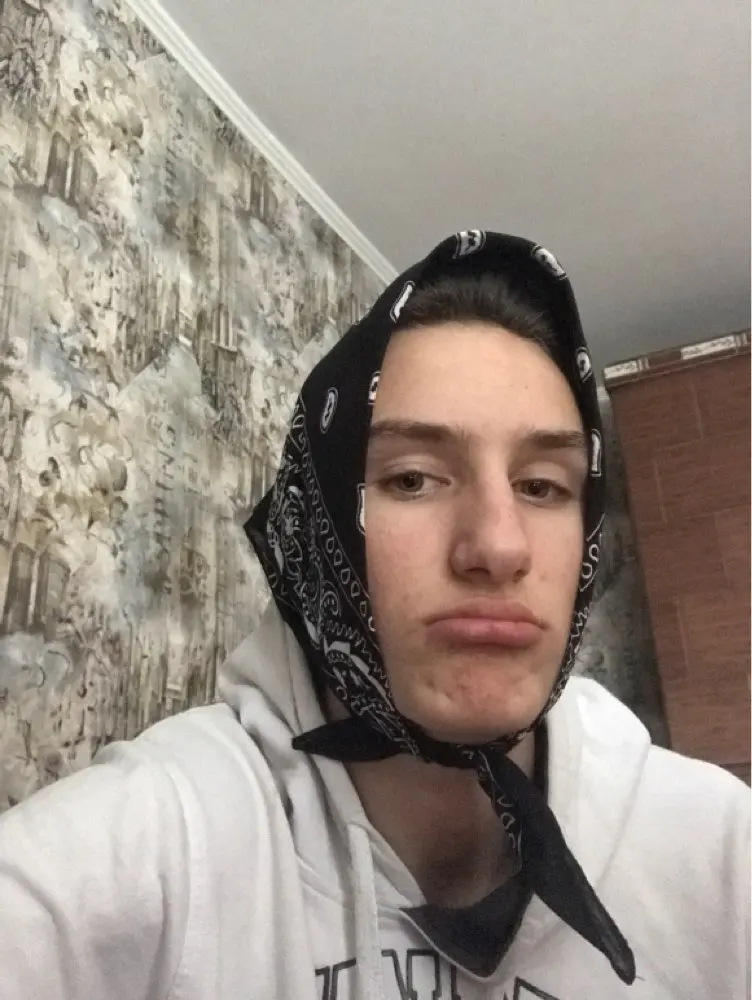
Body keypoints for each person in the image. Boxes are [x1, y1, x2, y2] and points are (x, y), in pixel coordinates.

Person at [0, 231, 748, 1000]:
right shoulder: (162, 839)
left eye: (542, 487)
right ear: (317, 525)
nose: (498, 546)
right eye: (414, 479)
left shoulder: (718, 851)